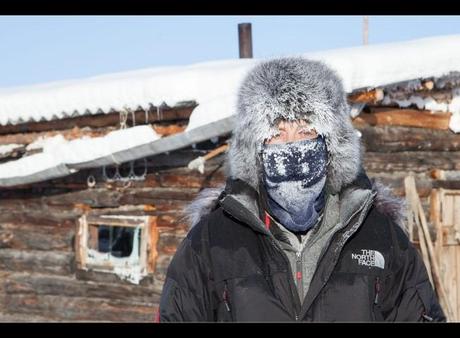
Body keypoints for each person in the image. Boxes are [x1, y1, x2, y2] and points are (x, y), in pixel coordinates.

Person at [158, 57, 446, 322]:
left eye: (306, 132)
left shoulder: (379, 235)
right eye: (277, 134)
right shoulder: (213, 240)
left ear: (331, 145)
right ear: (255, 149)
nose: (293, 147)